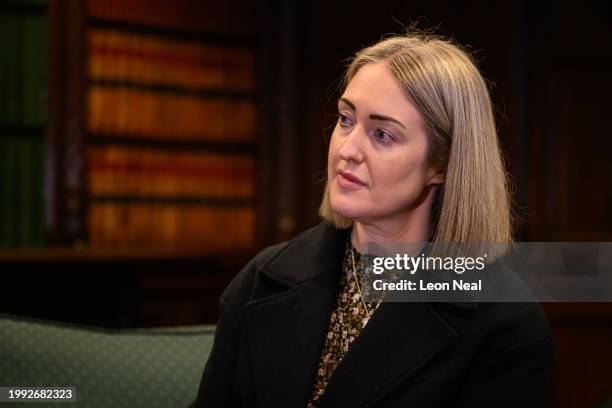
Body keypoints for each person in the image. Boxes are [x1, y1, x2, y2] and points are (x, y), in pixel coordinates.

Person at [191, 30, 553, 408]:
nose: (347, 150)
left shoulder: (507, 326)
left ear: (442, 164)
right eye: (346, 120)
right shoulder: (260, 281)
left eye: (382, 134)